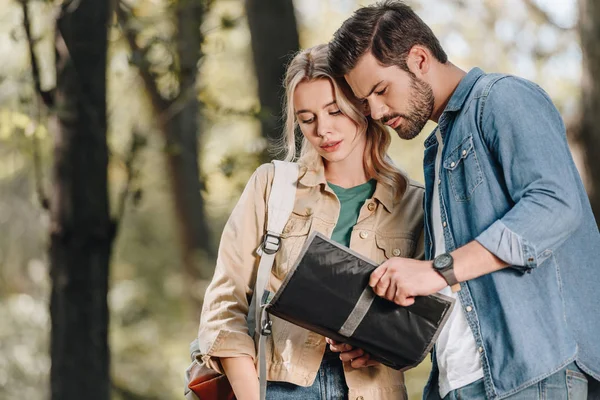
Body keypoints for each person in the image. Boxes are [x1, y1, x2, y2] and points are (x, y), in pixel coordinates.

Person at [326, 1, 600, 400]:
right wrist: (385, 339)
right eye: (365, 102)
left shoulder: (502, 98)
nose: (377, 112)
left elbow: (554, 204)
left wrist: (436, 270)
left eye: (381, 90)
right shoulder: (438, 149)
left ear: (419, 58)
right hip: (458, 384)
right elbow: (466, 287)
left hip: (532, 376)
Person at [197, 43, 425, 400]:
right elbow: (223, 307)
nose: (323, 129)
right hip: (277, 388)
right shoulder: (272, 186)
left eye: (335, 111)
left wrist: (377, 346)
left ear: (362, 106)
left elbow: (420, 325)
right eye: (307, 118)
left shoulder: (413, 203)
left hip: (373, 390)